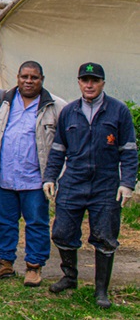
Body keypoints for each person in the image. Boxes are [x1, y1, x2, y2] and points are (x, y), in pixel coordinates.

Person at [43, 62, 137, 309]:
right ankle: (70, 277)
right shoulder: (70, 112)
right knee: (62, 231)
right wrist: (50, 177)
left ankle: (100, 291)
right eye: (85, 80)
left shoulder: (118, 111)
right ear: (79, 82)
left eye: (94, 80)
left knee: (105, 236)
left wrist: (127, 183)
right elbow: (58, 149)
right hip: (73, 181)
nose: (89, 85)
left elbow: (128, 150)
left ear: (103, 83)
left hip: (105, 184)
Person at [0, 61, 65, 287]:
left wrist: (56, 176)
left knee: (36, 222)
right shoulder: (2, 101)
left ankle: (34, 267)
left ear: (42, 79)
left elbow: (64, 143)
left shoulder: (55, 106)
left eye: (34, 78)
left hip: (36, 180)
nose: (29, 81)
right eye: (24, 77)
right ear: (18, 77)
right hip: (4, 175)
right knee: (4, 221)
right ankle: (4, 263)